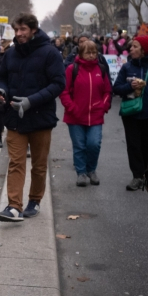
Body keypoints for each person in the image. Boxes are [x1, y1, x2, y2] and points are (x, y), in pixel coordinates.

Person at [0, 13, 65, 221]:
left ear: (33, 29)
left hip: (41, 118)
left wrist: (31, 101)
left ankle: (35, 200)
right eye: (17, 30)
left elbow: (58, 83)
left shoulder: (50, 53)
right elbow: (3, 78)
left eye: (23, 29)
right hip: (14, 117)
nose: (19, 34)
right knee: (16, 162)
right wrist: (1, 92)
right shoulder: (11, 53)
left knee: (39, 165)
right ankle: (14, 206)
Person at [60, 40, 112, 186]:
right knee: (79, 146)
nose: (91, 56)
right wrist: (72, 108)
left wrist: (103, 106)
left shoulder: (101, 69)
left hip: (95, 115)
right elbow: (63, 92)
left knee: (94, 144)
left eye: (93, 52)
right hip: (75, 116)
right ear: (81, 54)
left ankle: (91, 170)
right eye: (88, 53)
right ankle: (81, 173)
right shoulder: (72, 69)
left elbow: (107, 91)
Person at [112, 36, 148, 191]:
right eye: (131, 46)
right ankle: (137, 177)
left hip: (147, 113)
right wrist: (129, 86)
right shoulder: (127, 67)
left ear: (143, 50)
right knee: (134, 146)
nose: (131, 49)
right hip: (131, 113)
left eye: (135, 46)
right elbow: (117, 88)